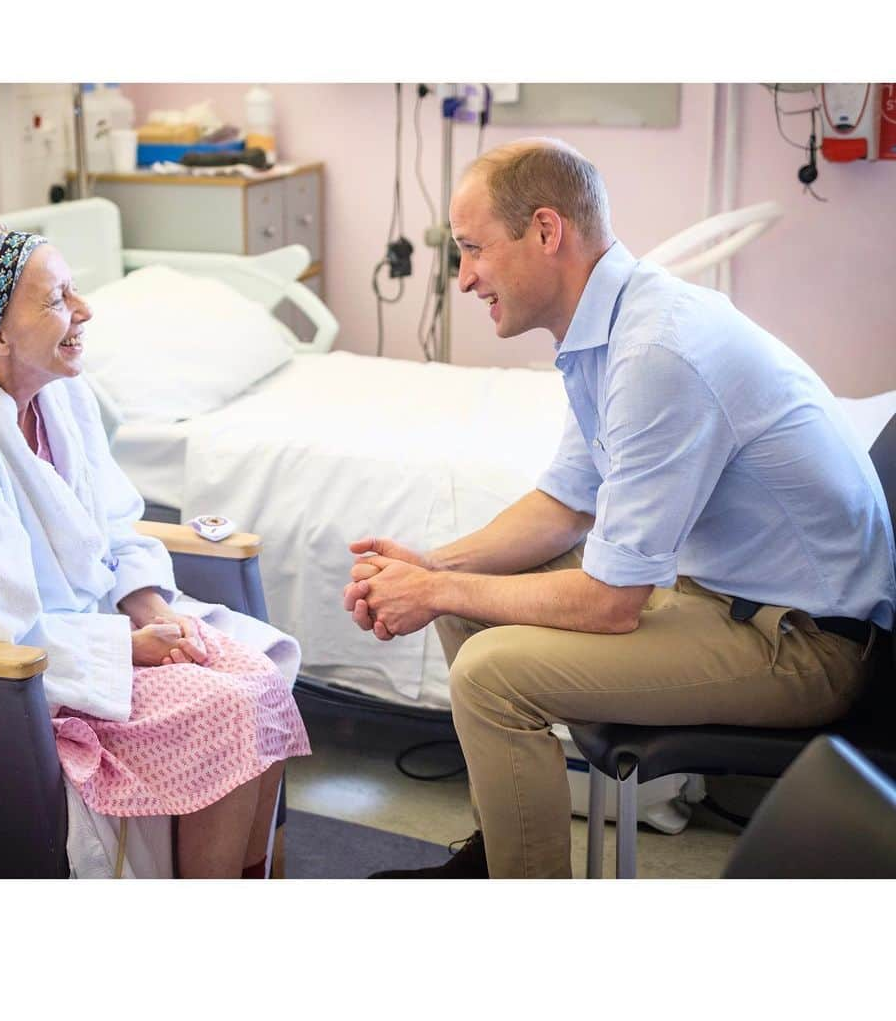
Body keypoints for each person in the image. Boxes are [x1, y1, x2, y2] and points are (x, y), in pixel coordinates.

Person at [343, 139, 896, 878]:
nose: (465, 276)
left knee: (488, 673)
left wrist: (437, 586)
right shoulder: (609, 329)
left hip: (806, 645)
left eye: (474, 248)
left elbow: (611, 602)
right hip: (728, 597)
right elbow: (565, 506)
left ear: (546, 232)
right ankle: (496, 859)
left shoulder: (657, 351)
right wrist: (433, 568)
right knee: (468, 608)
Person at [0, 203, 310, 878]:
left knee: (262, 681)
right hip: (43, 678)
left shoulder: (60, 395)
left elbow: (114, 523)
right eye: (57, 299)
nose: (85, 308)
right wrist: (127, 648)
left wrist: (151, 609)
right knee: (227, 712)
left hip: (104, 631)